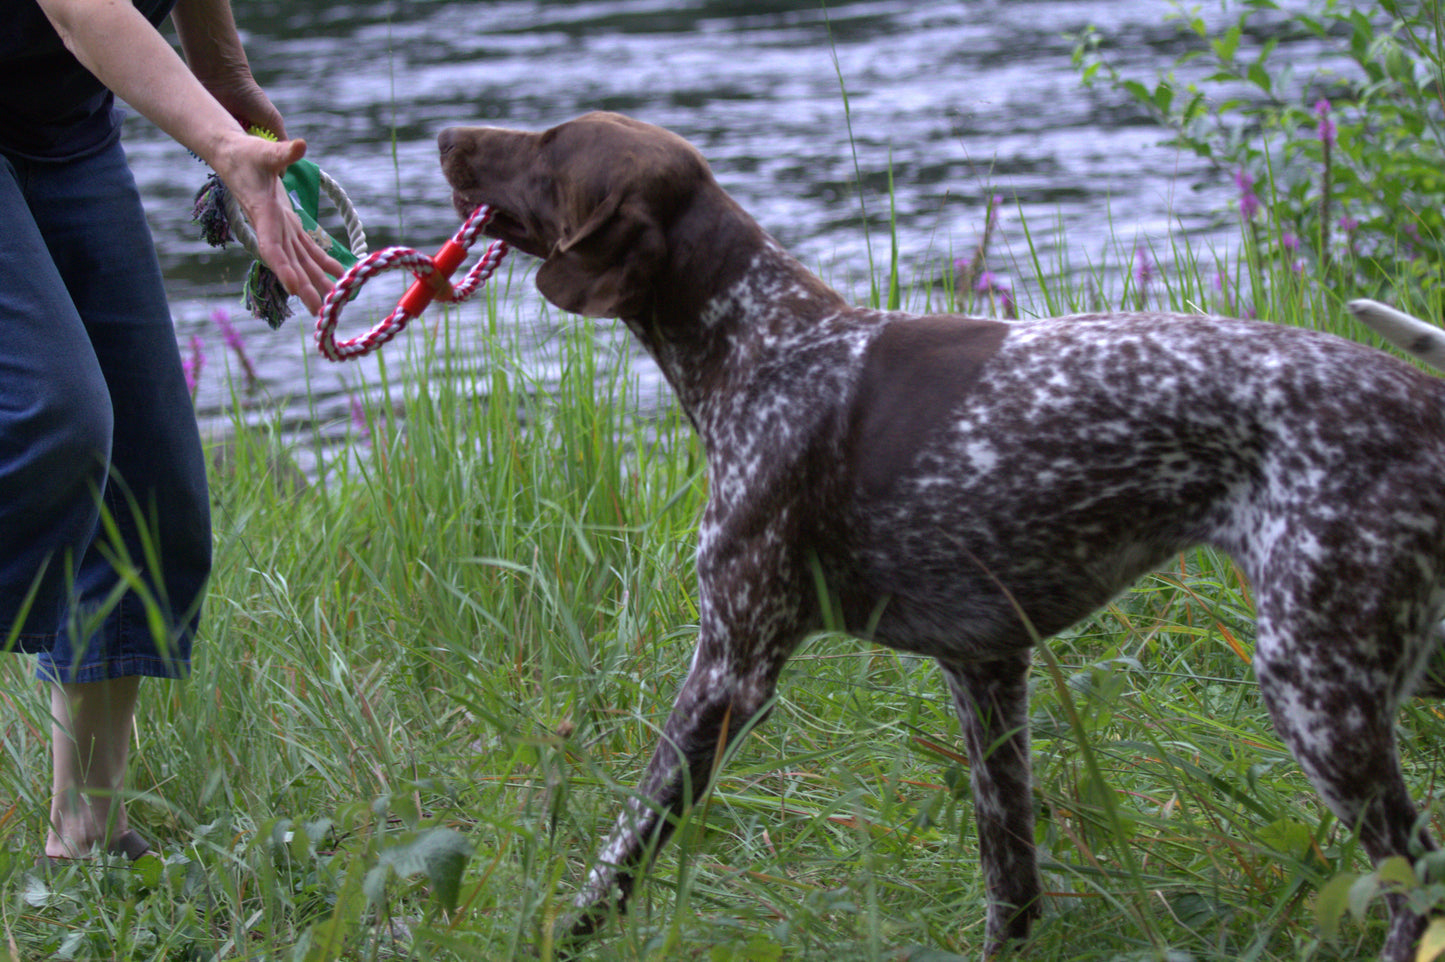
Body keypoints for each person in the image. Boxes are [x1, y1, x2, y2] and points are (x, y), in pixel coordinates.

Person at [0, 0, 342, 859]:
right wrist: (224, 148)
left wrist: (227, 86)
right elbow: (83, 11)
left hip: (59, 123)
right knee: (54, 416)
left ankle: (86, 840)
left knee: (151, 488)